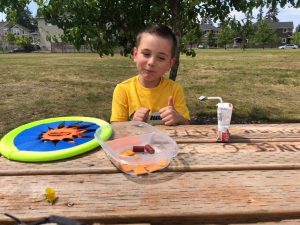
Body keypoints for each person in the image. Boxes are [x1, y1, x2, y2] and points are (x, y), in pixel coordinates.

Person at [110, 24, 190, 125]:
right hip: (135, 140)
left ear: (170, 64)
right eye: (146, 54)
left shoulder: (174, 90)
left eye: (161, 58)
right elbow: (116, 128)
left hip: (166, 140)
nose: (151, 62)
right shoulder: (123, 90)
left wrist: (178, 118)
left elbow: (186, 123)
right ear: (135, 55)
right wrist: (133, 123)